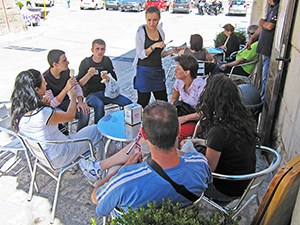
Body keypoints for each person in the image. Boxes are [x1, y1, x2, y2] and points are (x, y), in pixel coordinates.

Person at [91, 101, 212, 217]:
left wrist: (124, 167)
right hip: (184, 217)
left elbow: (96, 199)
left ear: (143, 134)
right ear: (179, 130)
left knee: (114, 168)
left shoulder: (124, 181)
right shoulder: (200, 162)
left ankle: (97, 167)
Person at [183, 74, 257, 202]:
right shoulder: (243, 120)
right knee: (198, 149)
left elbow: (209, 169)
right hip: (243, 182)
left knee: (183, 175)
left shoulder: (218, 131)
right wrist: (199, 141)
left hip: (225, 189)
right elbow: (227, 145)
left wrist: (188, 152)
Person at [10, 69, 102, 172]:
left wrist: (45, 104)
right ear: (36, 89)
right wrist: (73, 97)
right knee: (97, 130)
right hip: (60, 155)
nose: (46, 83)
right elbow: (70, 116)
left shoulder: (19, 113)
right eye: (43, 81)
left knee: (86, 132)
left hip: (43, 156)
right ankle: (98, 168)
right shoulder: (42, 113)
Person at [133, 6, 179, 108]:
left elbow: (160, 54)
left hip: (157, 71)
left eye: (155, 20)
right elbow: (140, 54)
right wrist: (153, 46)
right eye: (149, 20)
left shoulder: (160, 32)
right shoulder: (141, 32)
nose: (151, 23)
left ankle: (162, 122)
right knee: (143, 102)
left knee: (163, 101)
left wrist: (170, 51)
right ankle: (142, 122)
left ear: (159, 19)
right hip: (144, 71)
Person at [77, 39, 132, 123]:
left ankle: (126, 123)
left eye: (102, 49)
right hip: (90, 94)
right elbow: (79, 84)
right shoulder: (86, 62)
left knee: (128, 103)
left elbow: (115, 78)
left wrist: (108, 78)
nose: (100, 52)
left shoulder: (106, 60)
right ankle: (98, 129)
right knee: (99, 105)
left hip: (107, 92)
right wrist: (88, 75)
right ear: (92, 50)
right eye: (97, 49)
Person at [43, 49, 90, 132]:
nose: (68, 62)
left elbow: (77, 86)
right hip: (53, 109)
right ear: (55, 64)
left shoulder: (66, 71)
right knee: (63, 122)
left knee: (84, 112)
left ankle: (79, 136)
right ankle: (65, 134)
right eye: (64, 61)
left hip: (66, 103)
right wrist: (66, 89)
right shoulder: (45, 80)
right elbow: (52, 104)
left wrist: (80, 101)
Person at [246, 0, 280, 100]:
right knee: (262, 75)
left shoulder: (278, 9)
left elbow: (269, 26)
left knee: (266, 77)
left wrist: (262, 22)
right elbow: (261, 27)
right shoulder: (271, 9)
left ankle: (262, 98)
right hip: (263, 48)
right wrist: (251, 39)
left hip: (269, 49)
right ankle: (261, 95)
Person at [170, 55, 205, 144]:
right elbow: (174, 98)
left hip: (198, 121)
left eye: (178, 69)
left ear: (187, 72)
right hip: (183, 114)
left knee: (173, 133)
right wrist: (170, 110)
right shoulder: (179, 82)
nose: (175, 71)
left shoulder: (200, 86)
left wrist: (184, 118)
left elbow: (204, 112)